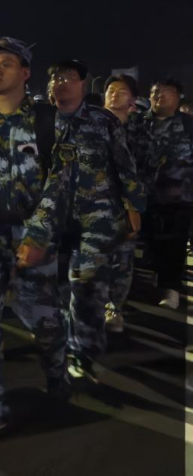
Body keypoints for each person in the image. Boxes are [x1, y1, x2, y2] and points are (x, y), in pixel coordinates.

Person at [0, 37, 70, 440]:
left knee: (44, 321)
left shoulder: (48, 121)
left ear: (25, 73)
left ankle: (57, 373)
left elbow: (59, 184)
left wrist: (39, 235)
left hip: (32, 236)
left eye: (6, 64)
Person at [47, 59, 145, 382]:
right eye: (56, 77)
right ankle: (67, 341)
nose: (61, 82)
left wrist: (133, 206)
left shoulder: (103, 121)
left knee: (86, 286)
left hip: (97, 220)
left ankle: (83, 353)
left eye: (69, 77)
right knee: (61, 288)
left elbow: (125, 166)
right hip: (53, 219)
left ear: (83, 85)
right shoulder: (39, 120)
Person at [130, 77, 192, 310]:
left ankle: (170, 288)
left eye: (166, 91)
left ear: (178, 97)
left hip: (178, 199)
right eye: (155, 91)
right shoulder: (136, 123)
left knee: (174, 245)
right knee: (143, 245)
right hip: (140, 197)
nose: (159, 96)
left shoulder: (188, 125)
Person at [102, 73, 142, 332]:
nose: (114, 94)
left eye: (122, 91)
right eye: (111, 90)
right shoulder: (87, 125)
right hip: (90, 205)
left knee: (123, 260)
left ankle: (114, 309)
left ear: (132, 99)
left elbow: (143, 171)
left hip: (125, 206)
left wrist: (135, 205)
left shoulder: (138, 131)